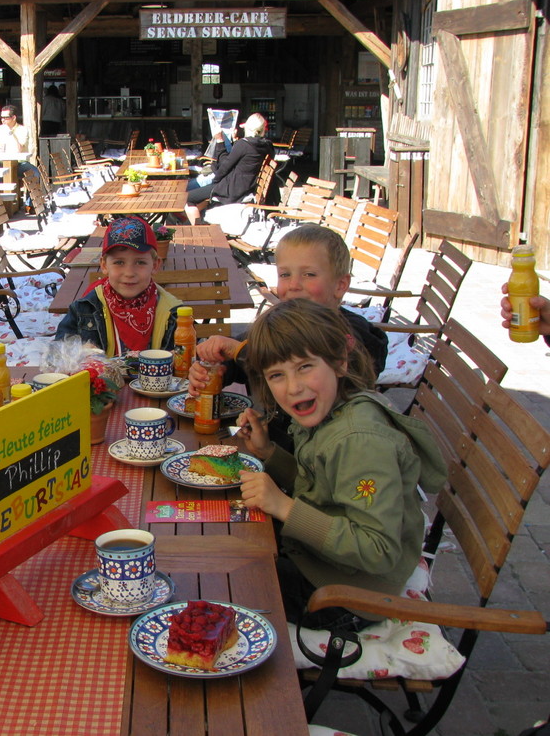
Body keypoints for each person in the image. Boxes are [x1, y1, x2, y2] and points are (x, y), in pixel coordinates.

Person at [234, 298, 446, 629]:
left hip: (349, 596)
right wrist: (269, 454)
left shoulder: (360, 441)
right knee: (236, 542)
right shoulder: (335, 407)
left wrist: (285, 508)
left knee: (231, 578)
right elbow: (323, 484)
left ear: (339, 362)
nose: (293, 387)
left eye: (305, 366)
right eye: (277, 375)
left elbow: (378, 549)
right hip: (330, 567)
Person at [189, 224, 388, 449]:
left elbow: (345, 381)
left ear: (340, 285)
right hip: (275, 446)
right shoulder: (284, 323)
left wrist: (240, 350)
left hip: (322, 457)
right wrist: (217, 369)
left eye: (309, 274)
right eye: (285, 274)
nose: (294, 285)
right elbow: (250, 349)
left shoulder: (354, 337)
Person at [55, 216, 182, 356]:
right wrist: (76, 354)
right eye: (119, 263)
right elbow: (58, 353)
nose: (129, 273)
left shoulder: (175, 313)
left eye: (140, 262)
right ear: (104, 265)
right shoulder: (84, 309)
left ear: (155, 265)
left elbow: (188, 359)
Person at [185, 112, 274, 224]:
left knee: (187, 198)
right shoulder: (267, 145)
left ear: (247, 128)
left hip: (231, 189)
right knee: (203, 196)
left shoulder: (243, 145)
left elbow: (223, 168)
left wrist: (220, 141)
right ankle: (201, 220)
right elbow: (245, 160)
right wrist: (235, 141)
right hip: (246, 186)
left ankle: (198, 232)